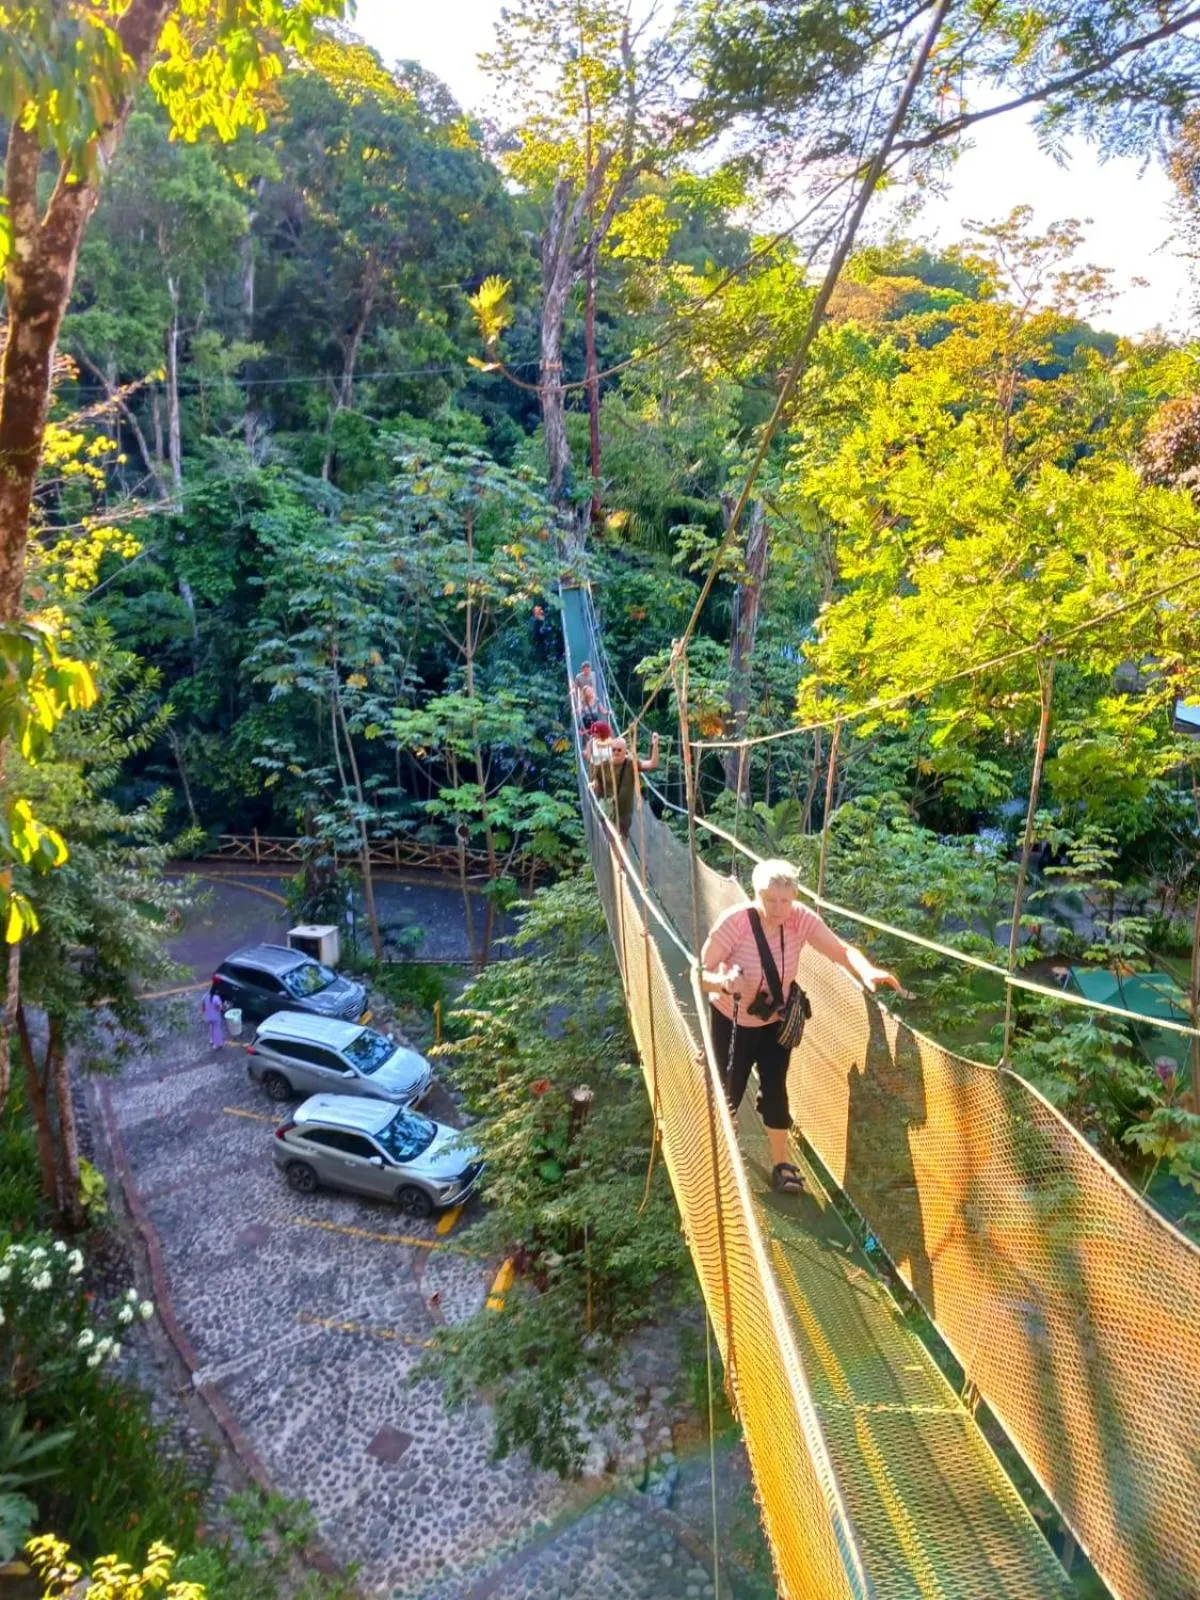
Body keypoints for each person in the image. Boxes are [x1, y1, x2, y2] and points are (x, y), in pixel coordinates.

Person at [700, 858, 902, 1194]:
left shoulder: (800, 919)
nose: (779, 908)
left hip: (775, 1021)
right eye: (770, 899)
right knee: (728, 1090)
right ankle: (724, 1146)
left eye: (786, 899)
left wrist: (866, 971)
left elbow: (841, 950)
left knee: (776, 1089)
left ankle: (781, 1164)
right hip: (733, 1019)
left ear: (794, 897)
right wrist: (722, 982)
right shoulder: (733, 924)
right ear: (755, 894)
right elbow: (698, 973)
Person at [591, 729, 660, 839]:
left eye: (619, 750)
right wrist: (595, 784)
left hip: (624, 812)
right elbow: (597, 780)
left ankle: (619, 855)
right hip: (609, 810)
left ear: (625, 751)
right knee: (612, 840)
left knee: (622, 840)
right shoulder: (603, 765)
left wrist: (655, 745)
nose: (616, 752)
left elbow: (652, 764)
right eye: (613, 750)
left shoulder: (631, 764)